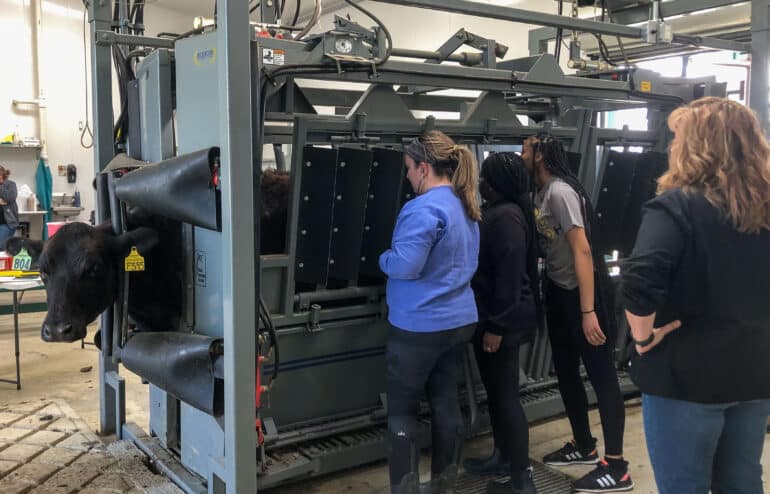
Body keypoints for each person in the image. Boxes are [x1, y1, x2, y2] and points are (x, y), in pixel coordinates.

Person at [621, 97, 770, 494]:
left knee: (684, 486)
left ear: (693, 147)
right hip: (754, 374)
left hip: (686, 378)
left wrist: (642, 337)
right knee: (742, 483)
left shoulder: (676, 207)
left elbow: (639, 280)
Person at [520, 135, 632, 492]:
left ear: (540, 156)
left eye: (526, 148)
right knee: (566, 371)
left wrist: (588, 311)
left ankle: (617, 467)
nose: (521, 154)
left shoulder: (559, 192)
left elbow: (582, 251)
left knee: (602, 377)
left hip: (584, 298)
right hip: (559, 292)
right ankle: (584, 445)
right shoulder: (539, 193)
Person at [379, 130, 481, 494]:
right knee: (445, 402)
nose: (406, 176)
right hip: (459, 322)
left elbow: (406, 265)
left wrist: (383, 257)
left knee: (403, 413)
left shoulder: (422, 208)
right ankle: (444, 486)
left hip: (418, 327)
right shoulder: (465, 202)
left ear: (423, 168)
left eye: (408, 168)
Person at [463, 152, 541, 494]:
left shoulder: (505, 218)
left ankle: (522, 477)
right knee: (496, 393)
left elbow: (509, 280)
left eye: (484, 178)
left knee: (506, 395)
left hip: (502, 321)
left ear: (495, 184)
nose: (480, 183)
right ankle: (502, 456)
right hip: (493, 318)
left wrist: (496, 327)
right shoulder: (501, 213)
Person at [0, 166, 19, 251]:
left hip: (7, 223)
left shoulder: (11, 184)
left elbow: (9, 197)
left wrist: (1, 185)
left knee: (1, 247)